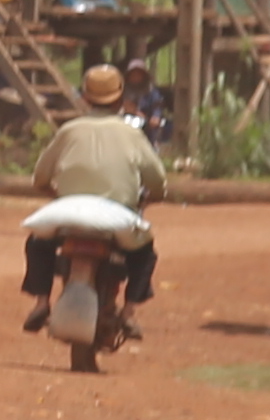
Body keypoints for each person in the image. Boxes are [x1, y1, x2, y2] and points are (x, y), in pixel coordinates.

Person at [18, 58, 169, 329]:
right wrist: (151, 196)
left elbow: (40, 176)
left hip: (69, 215)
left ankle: (41, 302)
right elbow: (157, 180)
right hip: (118, 216)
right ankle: (129, 312)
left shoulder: (68, 131)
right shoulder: (133, 134)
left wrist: (53, 193)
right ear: (120, 98)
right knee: (145, 254)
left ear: (85, 97)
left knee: (37, 244)